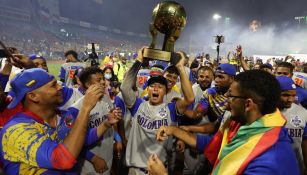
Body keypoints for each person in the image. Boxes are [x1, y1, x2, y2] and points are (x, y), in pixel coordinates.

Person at [154, 70, 300, 175]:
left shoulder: (267, 162)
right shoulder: (243, 124)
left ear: (248, 104)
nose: (226, 104)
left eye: (230, 96)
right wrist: (174, 130)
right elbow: (212, 143)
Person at [0, 68, 121, 174]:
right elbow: (62, 160)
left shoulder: (63, 117)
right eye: (53, 85)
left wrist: (106, 123)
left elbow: (82, 139)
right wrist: (85, 108)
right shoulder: (16, 131)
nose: (60, 87)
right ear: (33, 96)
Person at [121, 47, 194, 174]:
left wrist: (180, 67)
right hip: (135, 170)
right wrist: (139, 61)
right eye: (152, 86)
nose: (155, 89)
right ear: (147, 89)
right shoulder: (138, 105)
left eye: (160, 87)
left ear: (166, 91)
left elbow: (190, 99)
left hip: (159, 170)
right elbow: (125, 87)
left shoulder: (171, 108)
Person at [276, 76, 307, 174]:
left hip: (295, 167)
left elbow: (305, 142)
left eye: (293, 95)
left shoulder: (303, 113)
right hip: (271, 167)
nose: (290, 99)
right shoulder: (262, 112)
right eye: (285, 95)